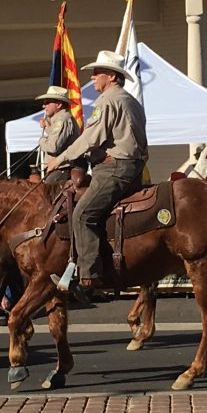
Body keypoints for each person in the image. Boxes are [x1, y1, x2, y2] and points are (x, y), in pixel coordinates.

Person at [46, 50, 147, 299]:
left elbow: (92, 137)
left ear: (111, 76)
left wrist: (59, 159)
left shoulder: (107, 101)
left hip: (114, 168)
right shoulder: (130, 100)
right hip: (131, 165)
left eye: (97, 73)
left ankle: (88, 277)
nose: (92, 78)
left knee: (82, 214)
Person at [36, 85, 82, 185]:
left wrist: (41, 141)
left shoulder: (62, 119)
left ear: (58, 104)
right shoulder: (61, 119)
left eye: (47, 103)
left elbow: (53, 147)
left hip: (62, 169)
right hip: (60, 169)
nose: (44, 106)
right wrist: (48, 128)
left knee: (46, 197)